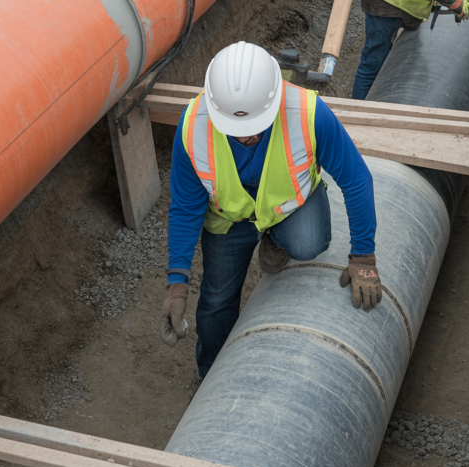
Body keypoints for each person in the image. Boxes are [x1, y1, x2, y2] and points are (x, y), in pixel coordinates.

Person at [160, 41, 380, 378]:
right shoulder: (193, 127)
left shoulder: (308, 113)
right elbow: (186, 209)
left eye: (253, 129)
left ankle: (275, 239)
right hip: (228, 219)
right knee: (216, 301)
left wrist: (363, 257)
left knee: (309, 243)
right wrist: (177, 283)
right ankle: (211, 376)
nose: (246, 138)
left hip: (285, 207)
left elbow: (356, 178)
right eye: (236, 131)